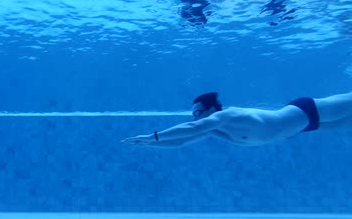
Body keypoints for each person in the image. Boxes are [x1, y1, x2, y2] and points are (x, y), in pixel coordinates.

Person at [122, 91, 352, 147]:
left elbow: (192, 127)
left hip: (305, 111)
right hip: (305, 127)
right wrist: (149, 144)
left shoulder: (227, 115)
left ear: (212, 109)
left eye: (198, 112)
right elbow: (182, 141)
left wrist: (152, 135)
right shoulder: (218, 130)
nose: (195, 117)